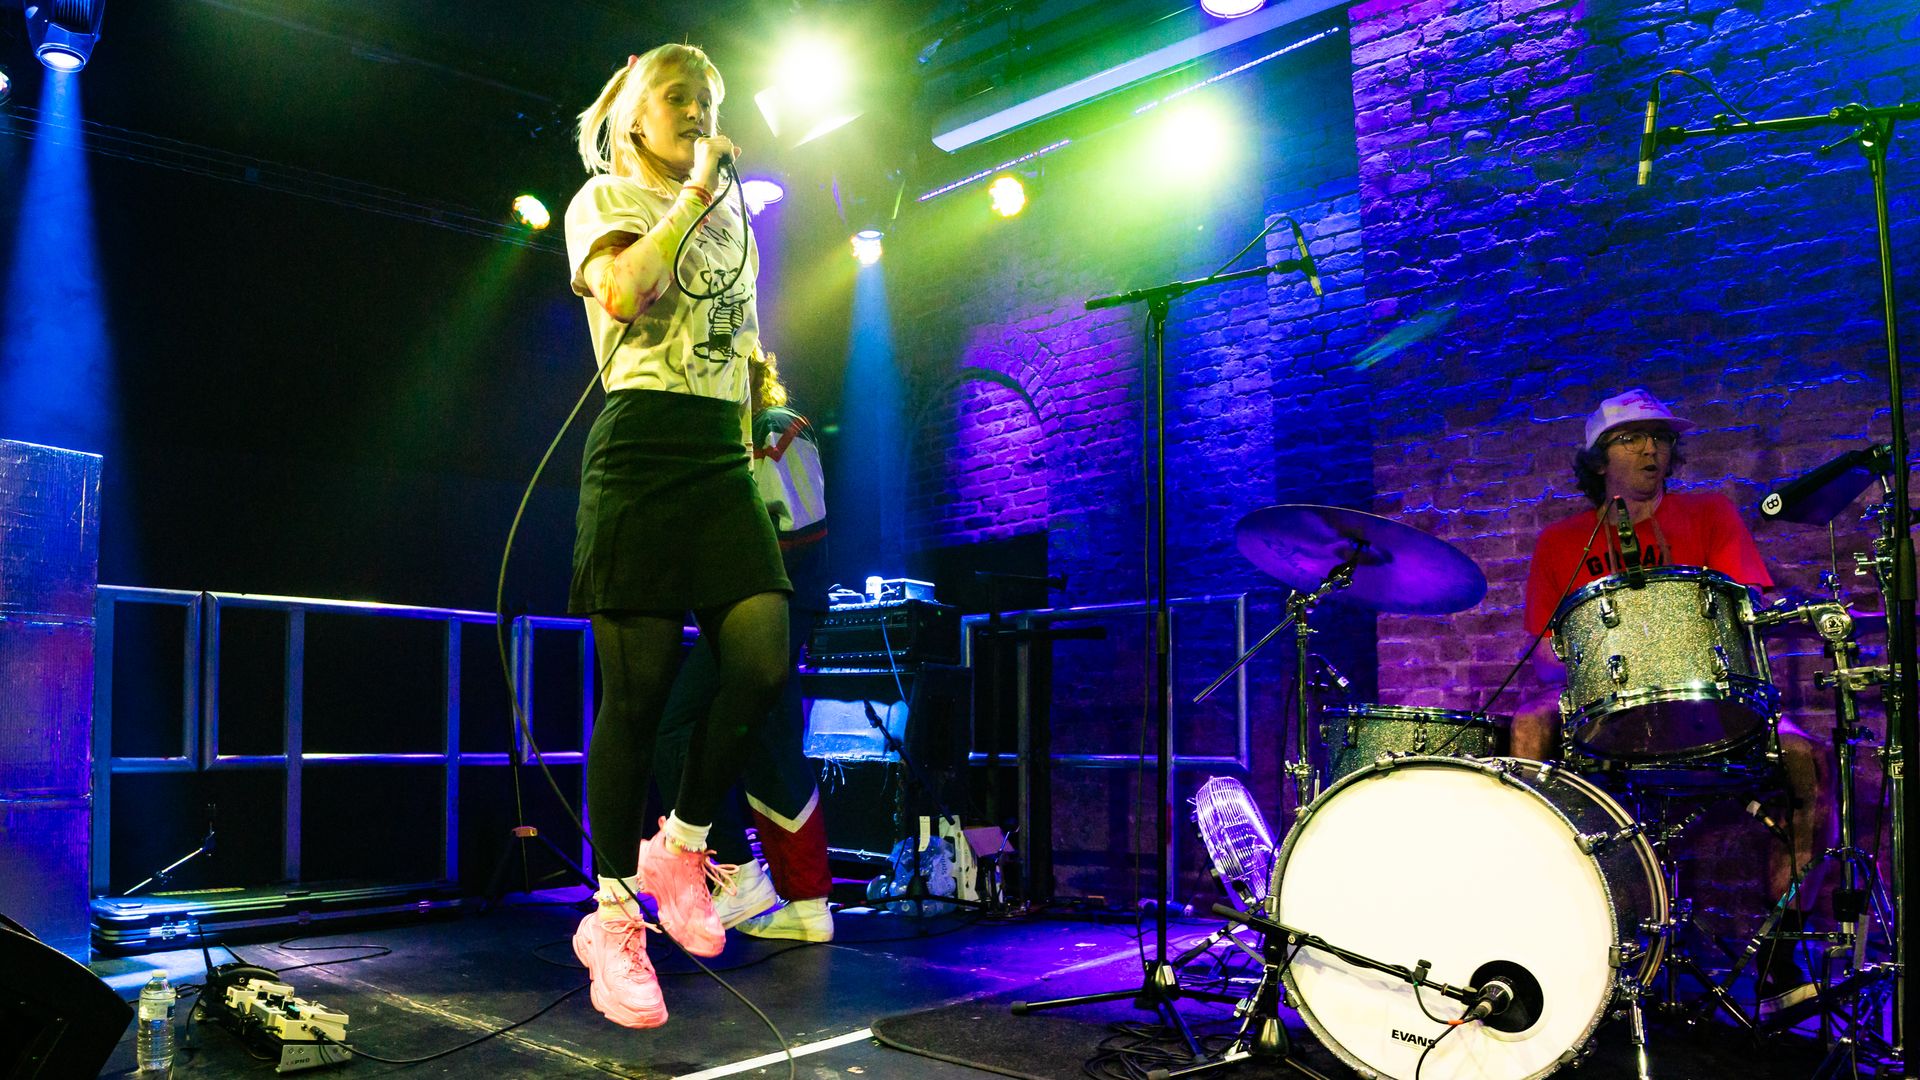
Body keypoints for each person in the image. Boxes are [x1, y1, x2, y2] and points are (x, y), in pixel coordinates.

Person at [562, 44, 789, 1030]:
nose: (697, 112)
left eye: (707, 99)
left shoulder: (734, 215)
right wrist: (695, 192)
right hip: (640, 446)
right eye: (678, 98)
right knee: (639, 692)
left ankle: (683, 846)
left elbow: (733, 334)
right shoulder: (603, 199)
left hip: (715, 456)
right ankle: (613, 917)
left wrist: (760, 408)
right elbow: (626, 294)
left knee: (760, 655)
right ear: (636, 117)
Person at [1512, 389, 1834, 1011]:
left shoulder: (1710, 513)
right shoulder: (1562, 541)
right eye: (1630, 438)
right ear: (1599, 459)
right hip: (1602, 700)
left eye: (1659, 437)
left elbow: (1746, 611)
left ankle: (1779, 957)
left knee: (1804, 758)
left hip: (1709, 692)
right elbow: (1548, 652)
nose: (1650, 447)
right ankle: (1540, 927)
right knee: (1527, 725)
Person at [655, 343, 835, 944]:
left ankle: (731, 873)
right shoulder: (750, 436)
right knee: (771, 744)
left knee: (681, 725)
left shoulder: (775, 428)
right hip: (765, 605)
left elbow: (797, 527)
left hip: (766, 605)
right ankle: (808, 904)